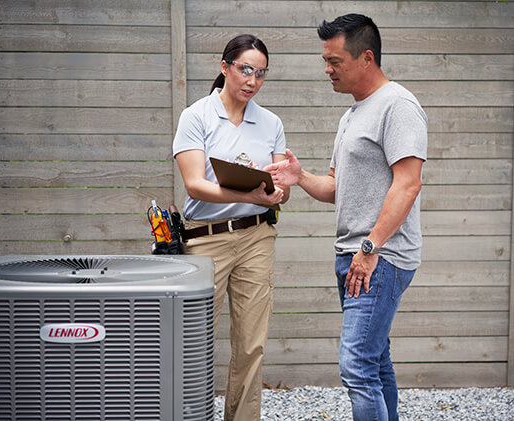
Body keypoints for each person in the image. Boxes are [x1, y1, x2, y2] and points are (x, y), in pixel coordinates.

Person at [264, 14, 428, 421]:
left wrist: (370, 248)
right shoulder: (352, 115)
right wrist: (299, 177)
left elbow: (408, 185)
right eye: (326, 60)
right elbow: (336, 188)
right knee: (375, 361)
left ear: (366, 58)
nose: (327, 70)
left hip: (378, 258)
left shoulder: (398, 106)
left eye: (334, 61)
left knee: (356, 366)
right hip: (354, 256)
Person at [172, 34, 290, 421]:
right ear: (225, 68)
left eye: (261, 73)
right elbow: (194, 184)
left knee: (251, 344)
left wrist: (276, 194)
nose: (252, 80)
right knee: (194, 342)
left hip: (258, 236)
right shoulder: (197, 116)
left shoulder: (270, 122)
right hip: (206, 240)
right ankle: (189, 414)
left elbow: (280, 188)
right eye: (245, 69)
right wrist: (252, 194)